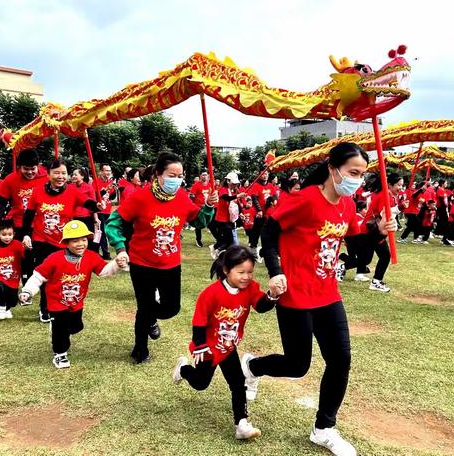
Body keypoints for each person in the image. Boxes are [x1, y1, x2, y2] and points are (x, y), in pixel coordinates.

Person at [239, 142, 395, 456]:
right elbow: (269, 233)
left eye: (362, 174)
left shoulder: (348, 205)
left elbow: (359, 249)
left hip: (327, 294)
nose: (357, 180)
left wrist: (377, 232)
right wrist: (275, 270)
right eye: (353, 172)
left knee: (341, 360)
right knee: (298, 365)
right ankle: (252, 366)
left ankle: (323, 428)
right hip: (295, 295)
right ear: (332, 169)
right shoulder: (305, 200)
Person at [105, 152, 218, 364]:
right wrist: (120, 248)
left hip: (170, 264)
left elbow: (199, 221)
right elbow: (113, 222)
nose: (176, 180)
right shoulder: (139, 197)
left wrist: (209, 206)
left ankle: (149, 319)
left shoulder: (183, 197)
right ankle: (140, 349)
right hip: (142, 263)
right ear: (158, 174)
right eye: (171, 175)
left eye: (180, 175)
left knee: (171, 308)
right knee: (144, 306)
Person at [172, 245, 278, 440]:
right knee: (200, 383)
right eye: (241, 272)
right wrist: (200, 345)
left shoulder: (251, 288)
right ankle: (183, 370)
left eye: (250, 272)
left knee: (238, 383)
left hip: (228, 347)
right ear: (226, 270)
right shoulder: (211, 293)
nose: (246, 277)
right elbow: (199, 321)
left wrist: (272, 295)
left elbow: (261, 306)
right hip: (208, 348)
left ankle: (242, 424)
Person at [19, 220, 128, 368]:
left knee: (76, 326)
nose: (81, 244)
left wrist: (116, 264)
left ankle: (62, 332)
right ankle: (60, 354)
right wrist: (27, 291)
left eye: (83, 240)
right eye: (75, 241)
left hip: (76, 302)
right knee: (60, 329)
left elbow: (103, 272)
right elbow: (38, 276)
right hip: (56, 302)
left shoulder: (91, 256)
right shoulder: (54, 258)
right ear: (66, 242)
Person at [21, 158, 104, 323]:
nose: (60, 176)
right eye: (56, 173)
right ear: (49, 174)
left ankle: (59, 306)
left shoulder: (73, 191)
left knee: (59, 277)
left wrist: (97, 206)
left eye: (64, 173)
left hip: (64, 241)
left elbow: (88, 203)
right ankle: (45, 309)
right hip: (41, 239)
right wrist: (26, 234)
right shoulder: (37, 191)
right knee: (45, 274)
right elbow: (29, 215)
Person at [0, 149, 48, 286]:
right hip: (20, 224)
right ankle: (26, 286)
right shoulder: (10, 179)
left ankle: (42, 285)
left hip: (43, 224)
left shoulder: (47, 177)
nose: (30, 172)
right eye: (26, 169)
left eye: (33, 169)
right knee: (25, 257)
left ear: (38, 166)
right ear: (19, 167)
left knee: (42, 258)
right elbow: (0, 204)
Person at [356, 173, 403, 292]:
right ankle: (376, 281)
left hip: (372, 230)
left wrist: (399, 208)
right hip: (371, 230)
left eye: (402, 185)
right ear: (390, 184)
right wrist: (391, 227)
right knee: (384, 255)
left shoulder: (388, 195)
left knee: (367, 259)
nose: (401, 188)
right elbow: (384, 214)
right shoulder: (385, 195)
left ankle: (342, 267)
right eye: (399, 185)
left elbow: (385, 212)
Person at [0, 219, 24, 319]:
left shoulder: (18, 245)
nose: (7, 237)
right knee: (0, 289)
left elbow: (25, 258)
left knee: (13, 300)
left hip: (13, 278)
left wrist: (28, 249)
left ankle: (7, 308)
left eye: (9, 234)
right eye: (4, 234)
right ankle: (1, 306)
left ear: (13, 234)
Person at [209, 172, 244, 260]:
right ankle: (218, 249)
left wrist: (241, 213)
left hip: (230, 219)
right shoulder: (223, 189)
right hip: (221, 219)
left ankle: (217, 249)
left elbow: (237, 204)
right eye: (233, 183)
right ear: (228, 181)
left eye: (236, 183)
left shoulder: (234, 191)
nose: (235, 185)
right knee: (228, 239)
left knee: (228, 240)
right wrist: (237, 196)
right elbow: (226, 198)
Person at [71, 167, 101, 251]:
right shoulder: (70, 187)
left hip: (86, 218)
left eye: (75, 174)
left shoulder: (88, 188)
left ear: (82, 176)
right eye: (72, 174)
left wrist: (96, 218)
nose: (73, 176)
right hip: (74, 218)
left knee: (89, 239)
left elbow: (94, 204)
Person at [97, 163, 117, 260]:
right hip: (99, 211)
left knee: (107, 231)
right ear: (101, 171)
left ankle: (104, 251)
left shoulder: (110, 182)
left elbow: (112, 197)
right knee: (102, 232)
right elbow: (96, 196)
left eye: (109, 171)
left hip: (108, 210)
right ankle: (105, 252)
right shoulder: (96, 182)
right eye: (106, 170)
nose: (108, 173)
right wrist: (106, 190)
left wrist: (114, 190)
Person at [189, 171, 211, 248]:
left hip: (207, 207)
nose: (204, 176)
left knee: (211, 223)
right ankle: (198, 240)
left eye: (206, 175)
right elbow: (192, 196)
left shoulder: (209, 185)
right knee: (199, 225)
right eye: (203, 175)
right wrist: (193, 206)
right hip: (199, 208)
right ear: (200, 176)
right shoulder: (196, 185)